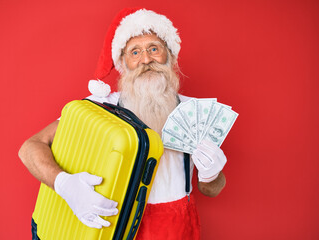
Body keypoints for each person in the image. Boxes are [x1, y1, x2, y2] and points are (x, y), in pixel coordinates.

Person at [19, 8, 227, 240]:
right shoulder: (100, 109)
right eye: (134, 52)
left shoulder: (196, 113)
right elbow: (30, 147)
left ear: (170, 56)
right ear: (122, 62)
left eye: (154, 49)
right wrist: (65, 185)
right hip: (116, 225)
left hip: (177, 230)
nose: (146, 59)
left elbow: (211, 190)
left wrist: (212, 174)